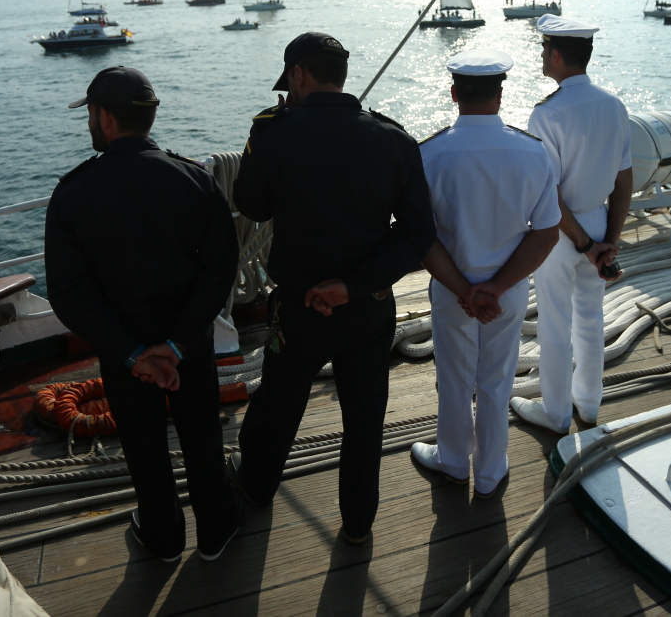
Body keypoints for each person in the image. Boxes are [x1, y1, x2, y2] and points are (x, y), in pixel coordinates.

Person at [232, 32, 435, 544]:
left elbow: (251, 205)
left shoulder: (274, 132)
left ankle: (255, 491)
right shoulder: (394, 139)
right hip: (367, 306)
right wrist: (353, 285)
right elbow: (416, 235)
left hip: (297, 306)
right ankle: (359, 522)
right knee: (364, 416)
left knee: (279, 404)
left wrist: (271, 132)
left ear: (298, 75)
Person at [44, 66, 239, 563]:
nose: (89, 121)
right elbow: (221, 270)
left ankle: (163, 535)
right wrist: (175, 344)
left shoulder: (73, 192)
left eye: (90, 113)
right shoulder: (195, 179)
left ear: (105, 118)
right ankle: (215, 531)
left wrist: (133, 354)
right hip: (187, 345)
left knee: (143, 445)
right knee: (202, 433)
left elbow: (69, 295)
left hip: (123, 351)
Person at [410, 50, 560, 498]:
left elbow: (421, 237)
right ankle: (491, 470)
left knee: (454, 378)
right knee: (497, 378)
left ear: (454, 93)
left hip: (451, 288)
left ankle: (454, 461)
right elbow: (547, 233)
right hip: (508, 291)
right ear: (500, 94)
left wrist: (465, 290)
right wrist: (493, 288)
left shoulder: (428, 154)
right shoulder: (533, 153)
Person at [509, 15, 632, 433]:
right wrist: (608, 241)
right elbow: (624, 178)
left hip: (560, 234)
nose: (542, 56)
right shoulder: (614, 106)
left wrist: (583, 244)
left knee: (555, 323)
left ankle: (557, 413)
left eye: (545, 50)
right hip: (598, 222)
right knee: (591, 318)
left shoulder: (549, 113)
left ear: (557, 55)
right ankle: (590, 404)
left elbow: (548, 193)